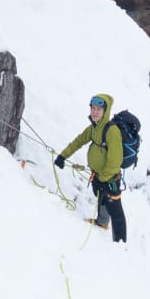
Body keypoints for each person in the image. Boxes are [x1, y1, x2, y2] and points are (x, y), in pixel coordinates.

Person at [55, 94, 127, 243]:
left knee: (115, 210)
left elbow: (115, 160)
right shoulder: (94, 127)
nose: (94, 112)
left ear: (105, 111)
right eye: (93, 108)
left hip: (110, 177)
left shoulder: (111, 131)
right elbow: (79, 140)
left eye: (98, 109)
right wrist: (63, 156)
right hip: (99, 175)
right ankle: (101, 222)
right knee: (101, 199)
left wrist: (104, 177)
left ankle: (121, 243)